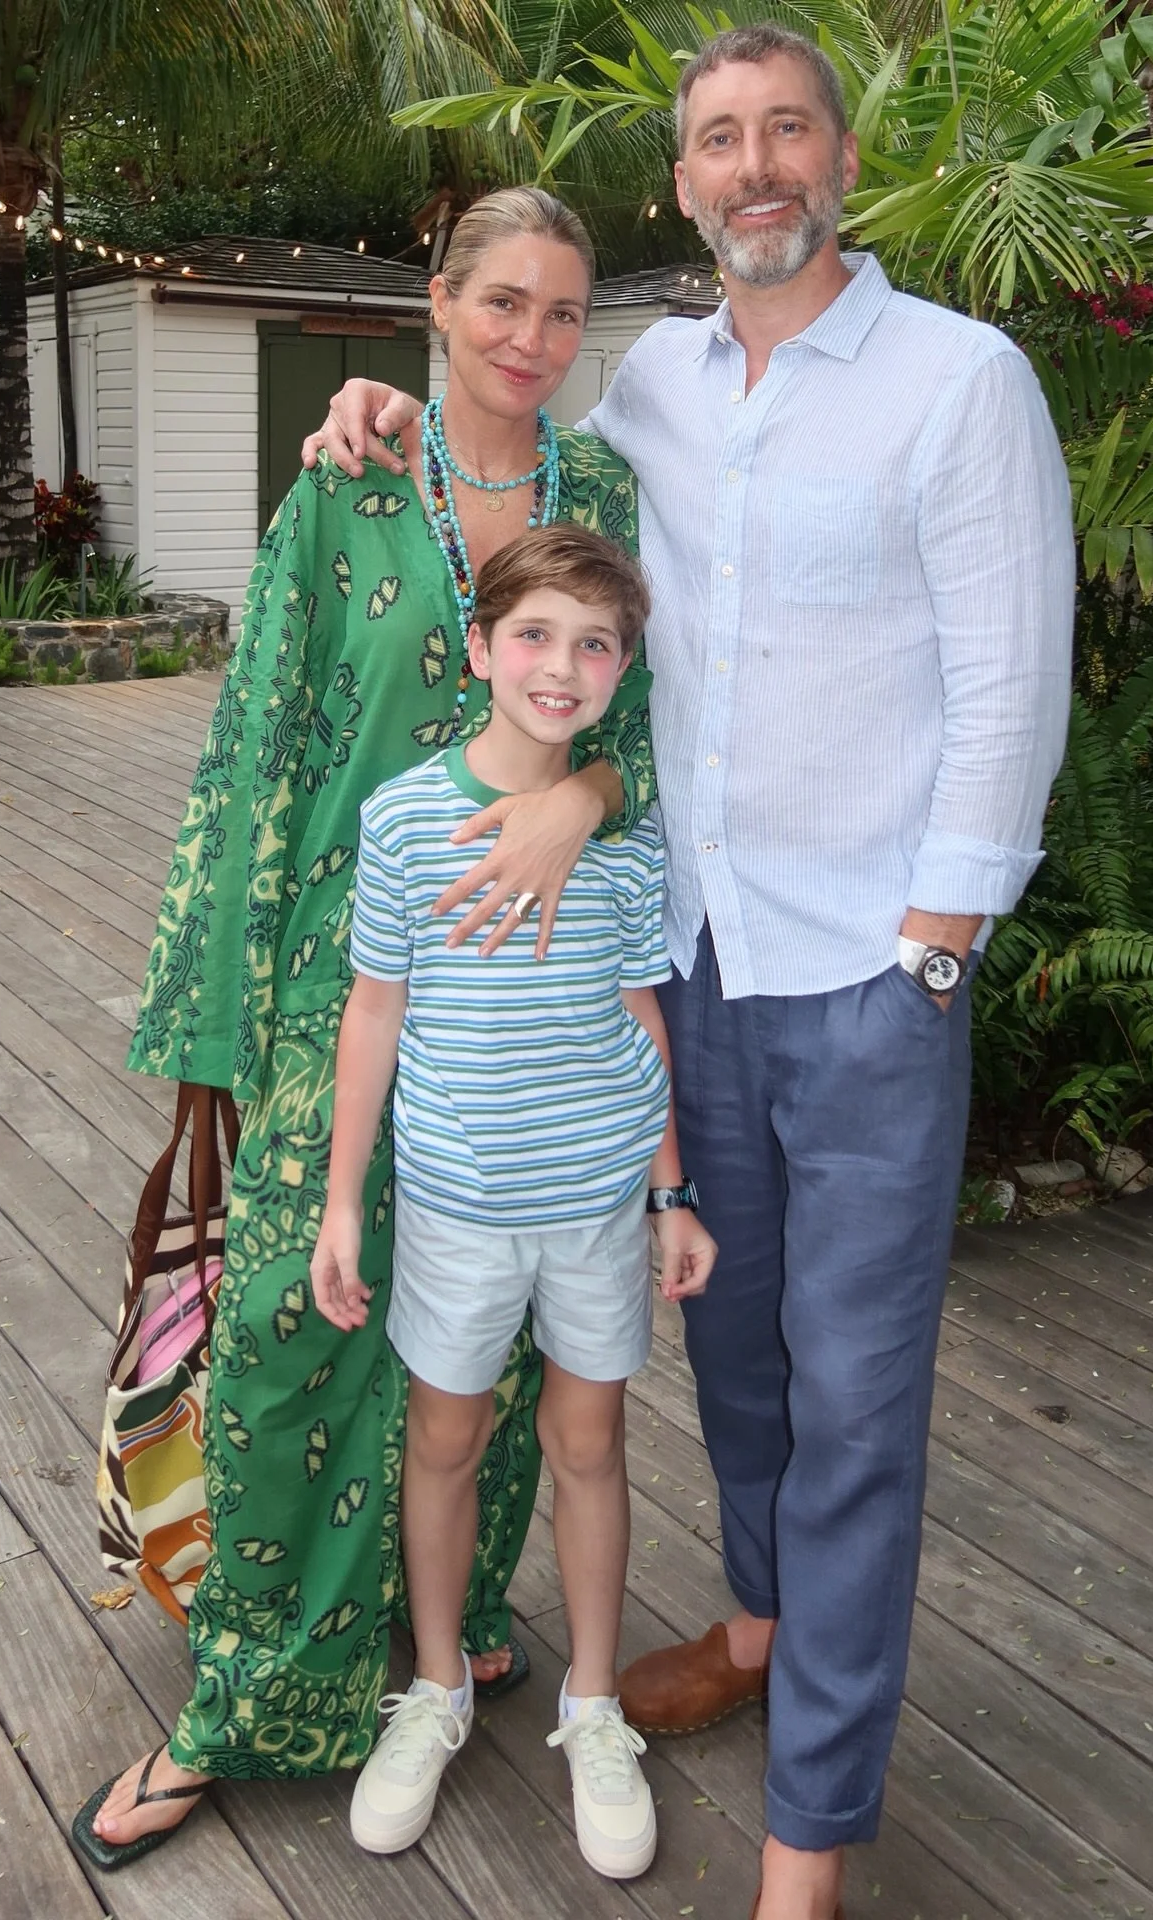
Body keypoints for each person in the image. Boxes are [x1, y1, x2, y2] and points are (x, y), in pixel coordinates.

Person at [306, 23, 1076, 1919]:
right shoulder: (647, 390)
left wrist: (937, 941)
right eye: (718, 140)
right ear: (684, 182)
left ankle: (807, 1840)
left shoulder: (959, 383)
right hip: (689, 973)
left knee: (857, 1395)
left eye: (785, 131)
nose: (754, 168)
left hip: (871, 979)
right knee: (730, 1352)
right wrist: (380, 415)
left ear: (841, 155)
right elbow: (518, 486)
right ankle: (749, 1635)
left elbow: (1010, 680)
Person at [75, 186, 658, 1871]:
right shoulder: (341, 481)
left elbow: (652, 718)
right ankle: (237, 1701)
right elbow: (258, 746)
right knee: (293, 1331)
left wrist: (589, 797)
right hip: (358, 990)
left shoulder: (600, 487)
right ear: (436, 301)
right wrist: (222, 1011)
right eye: (503, 305)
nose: (532, 341)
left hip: (536, 1022)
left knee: (493, 1357)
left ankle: (447, 1641)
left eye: (562, 313)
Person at [312, 523, 716, 1877]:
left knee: (589, 1444)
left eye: (595, 643)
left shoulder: (625, 845)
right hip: (453, 1208)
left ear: (622, 669)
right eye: (535, 635)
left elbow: (639, 1015)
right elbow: (374, 1013)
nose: (564, 665)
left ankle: (594, 1707)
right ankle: (436, 1687)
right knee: (444, 1441)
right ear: (481, 648)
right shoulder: (405, 820)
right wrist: (343, 1203)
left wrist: (674, 1194)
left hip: (598, 1203)